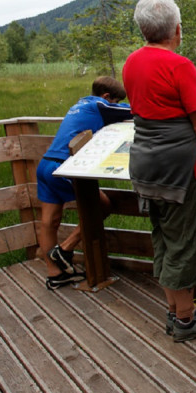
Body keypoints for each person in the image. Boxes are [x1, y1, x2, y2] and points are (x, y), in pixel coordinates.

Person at [123, 0, 196, 342]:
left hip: (143, 165)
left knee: (164, 239)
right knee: (184, 243)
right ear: (177, 29)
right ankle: (186, 321)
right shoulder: (179, 66)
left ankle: (175, 311)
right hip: (180, 171)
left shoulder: (130, 63)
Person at [36, 76, 131, 290]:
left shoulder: (79, 104)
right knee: (103, 206)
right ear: (107, 96)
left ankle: (56, 274)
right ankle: (65, 249)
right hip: (63, 167)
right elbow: (134, 111)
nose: (114, 105)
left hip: (46, 164)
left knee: (49, 222)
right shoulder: (100, 104)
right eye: (115, 101)